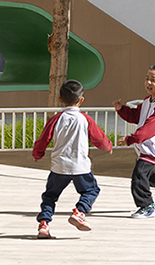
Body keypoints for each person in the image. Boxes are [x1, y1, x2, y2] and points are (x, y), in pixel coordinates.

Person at [31, 79, 113, 239]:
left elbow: (43, 140)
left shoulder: (56, 119)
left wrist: (37, 154)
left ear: (60, 99)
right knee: (91, 190)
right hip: (80, 166)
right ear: (81, 100)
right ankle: (79, 212)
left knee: (50, 196)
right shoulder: (85, 119)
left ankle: (43, 225)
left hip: (59, 166)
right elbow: (99, 138)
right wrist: (108, 146)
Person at [113, 64, 155, 219]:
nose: (148, 83)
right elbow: (136, 116)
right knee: (146, 175)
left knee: (138, 176)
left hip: (154, 146)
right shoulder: (147, 101)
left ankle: (147, 206)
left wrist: (131, 139)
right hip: (145, 145)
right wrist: (121, 109)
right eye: (146, 79)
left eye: (153, 80)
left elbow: (150, 128)